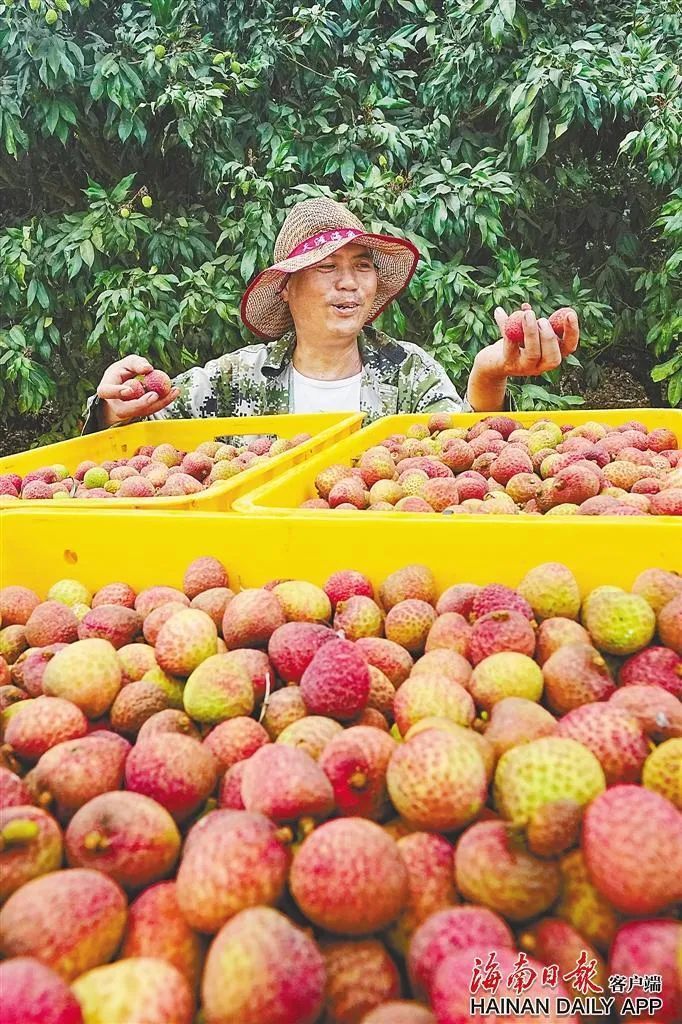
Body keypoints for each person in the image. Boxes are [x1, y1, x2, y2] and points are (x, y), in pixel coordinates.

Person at [83, 196, 579, 432]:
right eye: (326, 268)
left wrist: (488, 375)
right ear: (287, 290)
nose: (349, 282)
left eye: (361, 267)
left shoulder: (409, 372)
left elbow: (466, 455)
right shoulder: (233, 379)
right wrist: (113, 407)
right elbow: (139, 452)